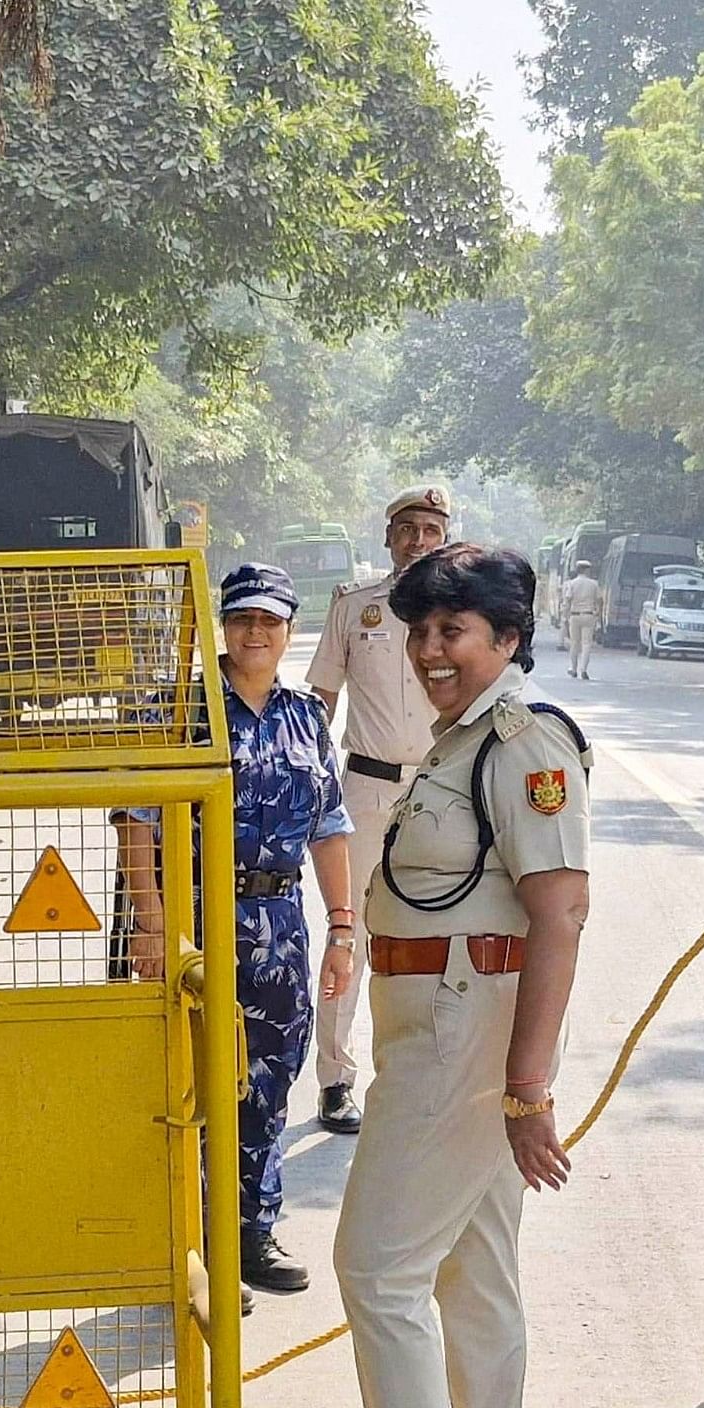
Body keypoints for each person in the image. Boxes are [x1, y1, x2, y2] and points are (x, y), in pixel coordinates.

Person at [331, 543, 588, 1408]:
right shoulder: (456, 743)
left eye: (454, 632)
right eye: (419, 632)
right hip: (432, 1017)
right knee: (473, 1274)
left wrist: (525, 1090)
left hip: (460, 1030)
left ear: (507, 640)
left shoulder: (523, 745)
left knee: (375, 1267)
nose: (431, 651)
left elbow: (561, 914)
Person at [113, 564, 357, 1301]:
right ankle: (189, 1246)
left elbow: (330, 824)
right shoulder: (182, 707)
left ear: (289, 629)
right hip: (191, 916)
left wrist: (343, 928)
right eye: (243, 619)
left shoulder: (304, 712)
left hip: (278, 922)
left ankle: (249, 1231)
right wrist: (150, 927)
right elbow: (136, 821)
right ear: (223, 625)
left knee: (269, 1078)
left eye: (270, 621)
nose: (256, 632)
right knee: (191, 1081)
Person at [301, 485, 457, 1137]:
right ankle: (336, 1079)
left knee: (445, 936)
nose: (417, 540)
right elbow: (319, 700)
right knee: (350, 934)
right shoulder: (354, 606)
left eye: (429, 529)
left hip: (444, 790)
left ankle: (435, 1076)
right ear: (387, 536)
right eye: (406, 529)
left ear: (444, 537)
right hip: (363, 790)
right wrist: (306, 782)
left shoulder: (464, 612)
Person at [552, 560, 609, 680]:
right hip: (589, 615)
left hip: (574, 615)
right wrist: (597, 613)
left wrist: (565, 616)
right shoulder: (594, 584)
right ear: (587, 570)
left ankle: (573, 669)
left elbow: (567, 601)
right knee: (587, 643)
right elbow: (599, 600)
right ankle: (584, 669)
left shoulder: (572, 584)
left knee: (574, 643)